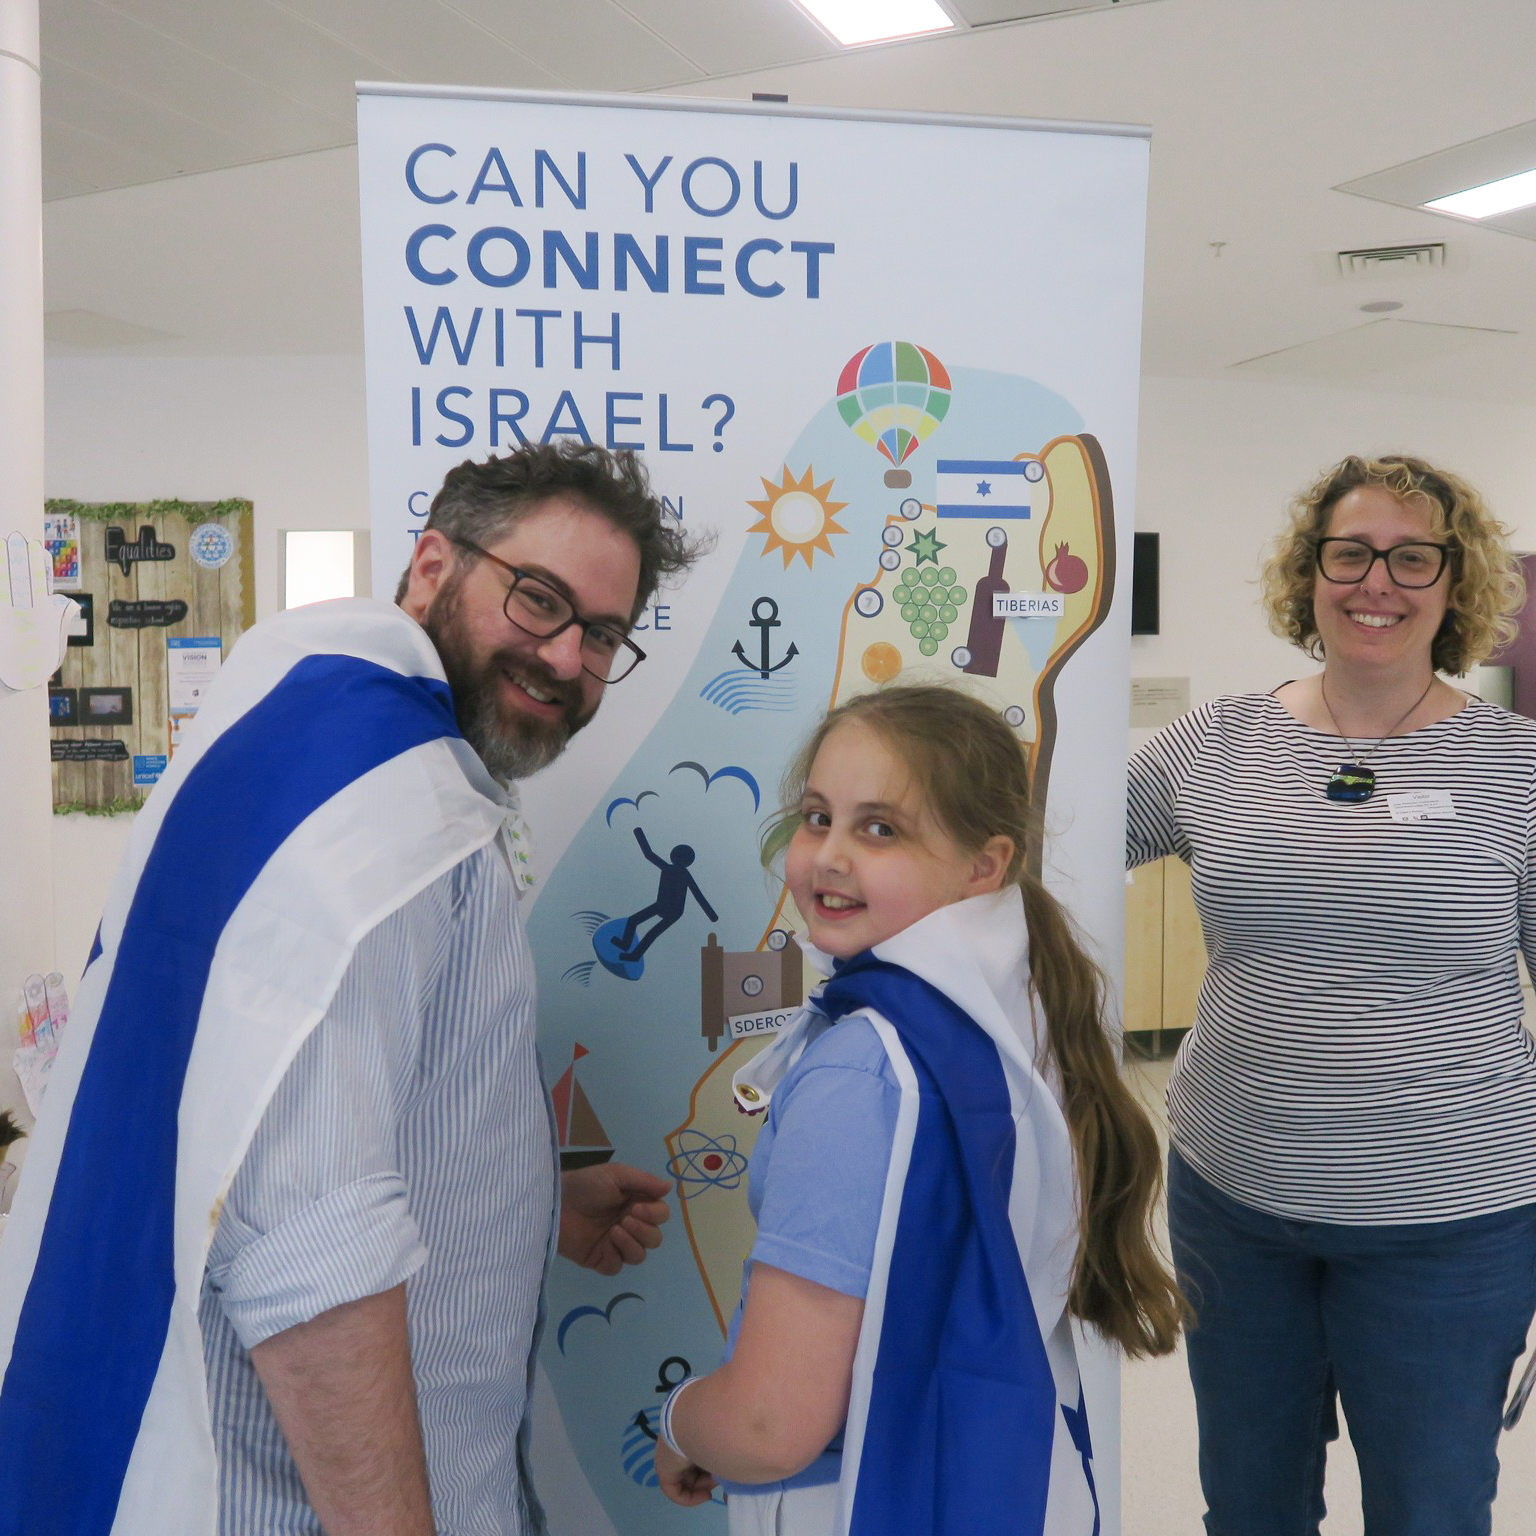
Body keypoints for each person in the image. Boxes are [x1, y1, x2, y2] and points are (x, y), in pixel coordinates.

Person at [0, 442, 704, 1536]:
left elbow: (257, 1113)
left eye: (602, 634)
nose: (566, 657)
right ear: (432, 567)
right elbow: (307, 1245)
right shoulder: (391, 812)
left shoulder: (282, 729)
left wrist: (521, 1201)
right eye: (538, 599)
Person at [655, 685, 1183, 1535]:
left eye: (881, 829)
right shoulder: (1018, 1019)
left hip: (859, 1496)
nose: (828, 855)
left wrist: (682, 1424)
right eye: (818, 816)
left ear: (985, 865)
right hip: (1011, 1478)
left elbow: (769, 1425)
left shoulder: (862, 1072)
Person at [1127, 453, 1536, 1536]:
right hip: (1235, 1205)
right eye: (1350, 554)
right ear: (1308, 574)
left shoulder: (1518, 769)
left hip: (1451, 1224)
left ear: (1457, 584)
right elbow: (1041, 844)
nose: (1377, 583)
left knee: (1430, 1510)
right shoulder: (1212, 746)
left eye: (1413, 558)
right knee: (1250, 1506)